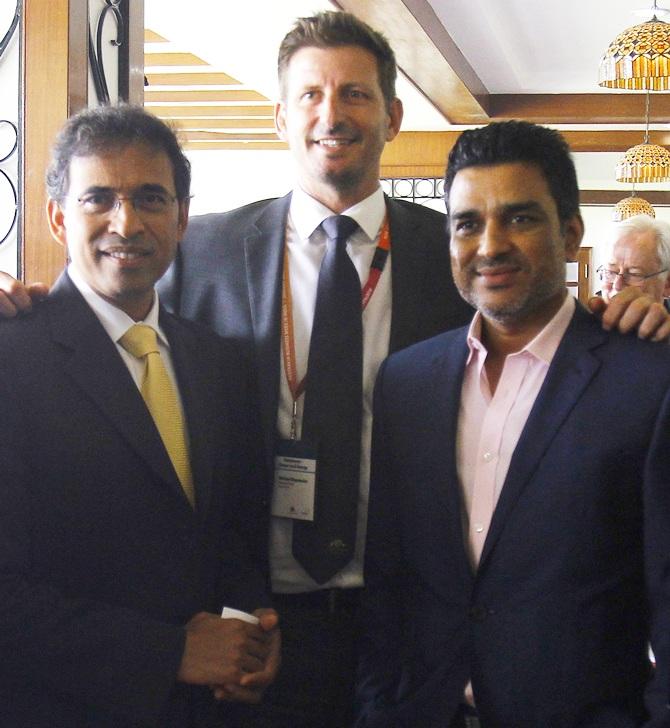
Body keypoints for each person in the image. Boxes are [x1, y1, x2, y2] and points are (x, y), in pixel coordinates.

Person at [1, 11, 668, 728]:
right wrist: (20, 299)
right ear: (280, 116)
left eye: (355, 93)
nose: (332, 113)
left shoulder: (456, 248)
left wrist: (632, 318)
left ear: (393, 116)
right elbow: (111, 335)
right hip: (258, 630)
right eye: (311, 95)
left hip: (415, 626)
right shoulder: (206, 249)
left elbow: (536, 341)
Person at [356, 120, 670, 727]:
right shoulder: (407, 382)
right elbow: (390, 579)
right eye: (467, 223)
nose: (489, 244)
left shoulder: (647, 380)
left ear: (570, 232)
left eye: (520, 218)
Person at [0, 105, 279, 727]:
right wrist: (170, 652)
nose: (125, 223)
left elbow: (232, 531)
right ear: (56, 217)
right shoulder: (11, 356)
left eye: (151, 198)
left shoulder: (217, 359)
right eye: (98, 198)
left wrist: (253, 629)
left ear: (181, 219)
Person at [597, 214, 670, 307]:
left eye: (634, 274)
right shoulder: (586, 319)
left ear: (667, 284)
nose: (617, 286)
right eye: (610, 272)